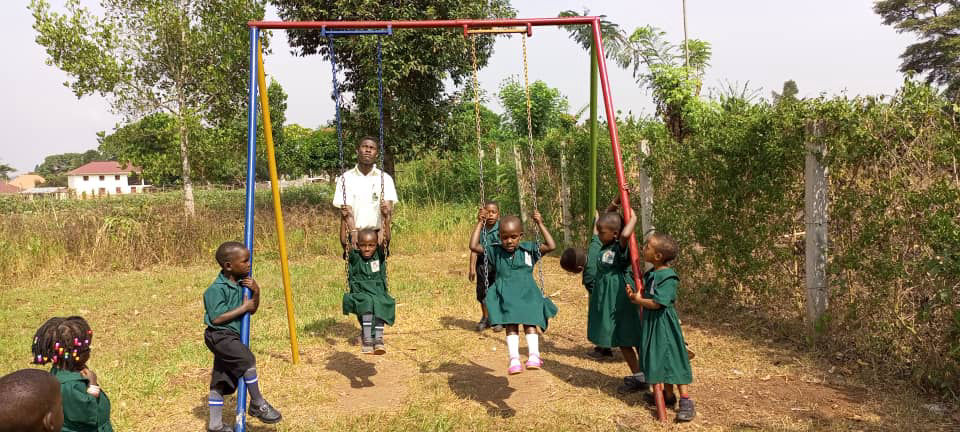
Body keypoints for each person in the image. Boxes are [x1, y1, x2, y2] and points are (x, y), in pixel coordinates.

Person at [560, 198, 646, 394]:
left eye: (601, 232)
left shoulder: (618, 248)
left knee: (633, 336)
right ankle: (639, 376)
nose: (597, 234)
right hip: (609, 302)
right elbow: (606, 222)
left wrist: (633, 218)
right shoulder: (601, 246)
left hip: (620, 299)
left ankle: (648, 373)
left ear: (614, 234)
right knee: (622, 340)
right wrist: (614, 205)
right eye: (598, 231)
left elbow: (624, 234)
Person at [203, 242, 282, 431]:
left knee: (221, 379)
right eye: (245, 261)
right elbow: (217, 317)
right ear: (228, 265)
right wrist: (243, 307)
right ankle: (257, 403)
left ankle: (215, 425)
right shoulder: (215, 290)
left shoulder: (242, 284)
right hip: (219, 335)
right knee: (247, 359)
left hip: (231, 336)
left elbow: (251, 310)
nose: (249, 264)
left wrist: (256, 291)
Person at [469, 210, 557, 374]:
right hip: (507, 295)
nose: (509, 241)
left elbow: (551, 245)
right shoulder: (495, 251)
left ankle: (534, 356)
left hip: (527, 293)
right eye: (504, 237)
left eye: (513, 237)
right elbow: (473, 246)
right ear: (499, 236)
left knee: (530, 323)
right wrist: (480, 223)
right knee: (511, 326)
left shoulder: (528, 249)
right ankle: (514, 358)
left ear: (520, 235)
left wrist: (540, 223)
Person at [626, 233, 695, 422]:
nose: (643, 248)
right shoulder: (652, 274)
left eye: (648, 247)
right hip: (652, 323)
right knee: (658, 359)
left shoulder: (668, 277)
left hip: (664, 325)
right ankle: (668, 396)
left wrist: (640, 300)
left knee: (673, 359)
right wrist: (635, 296)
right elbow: (648, 296)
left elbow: (657, 303)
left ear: (657, 256)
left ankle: (686, 400)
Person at [30, 316, 111, 432]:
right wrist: (92, 384)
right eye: (87, 348)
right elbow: (86, 412)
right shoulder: (69, 385)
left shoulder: (60, 371)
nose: (90, 350)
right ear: (75, 354)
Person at [334, 136, 398, 251]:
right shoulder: (346, 178)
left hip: (376, 235)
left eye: (372, 148)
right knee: (355, 268)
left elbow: (387, 210)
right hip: (354, 233)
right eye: (364, 147)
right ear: (357, 151)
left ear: (377, 154)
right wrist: (353, 232)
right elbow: (346, 210)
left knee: (378, 269)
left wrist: (383, 231)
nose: (368, 150)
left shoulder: (385, 178)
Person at [342, 228, 396, 354]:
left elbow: (387, 240)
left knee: (381, 301)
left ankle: (378, 339)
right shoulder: (355, 257)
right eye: (363, 245)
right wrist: (343, 221)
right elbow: (344, 243)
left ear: (376, 245)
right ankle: (367, 338)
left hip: (378, 292)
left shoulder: (379, 255)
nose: (367, 249)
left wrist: (386, 219)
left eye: (371, 245)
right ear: (357, 245)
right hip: (360, 293)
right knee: (367, 301)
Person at [468, 201, 503, 332]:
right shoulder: (480, 229)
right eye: (488, 212)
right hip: (482, 265)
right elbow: (474, 248)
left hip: (498, 265)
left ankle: (498, 319)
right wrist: (472, 268)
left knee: (497, 292)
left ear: (498, 215)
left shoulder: (501, 228)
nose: (491, 215)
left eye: (494, 212)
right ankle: (485, 317)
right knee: (483, 292)